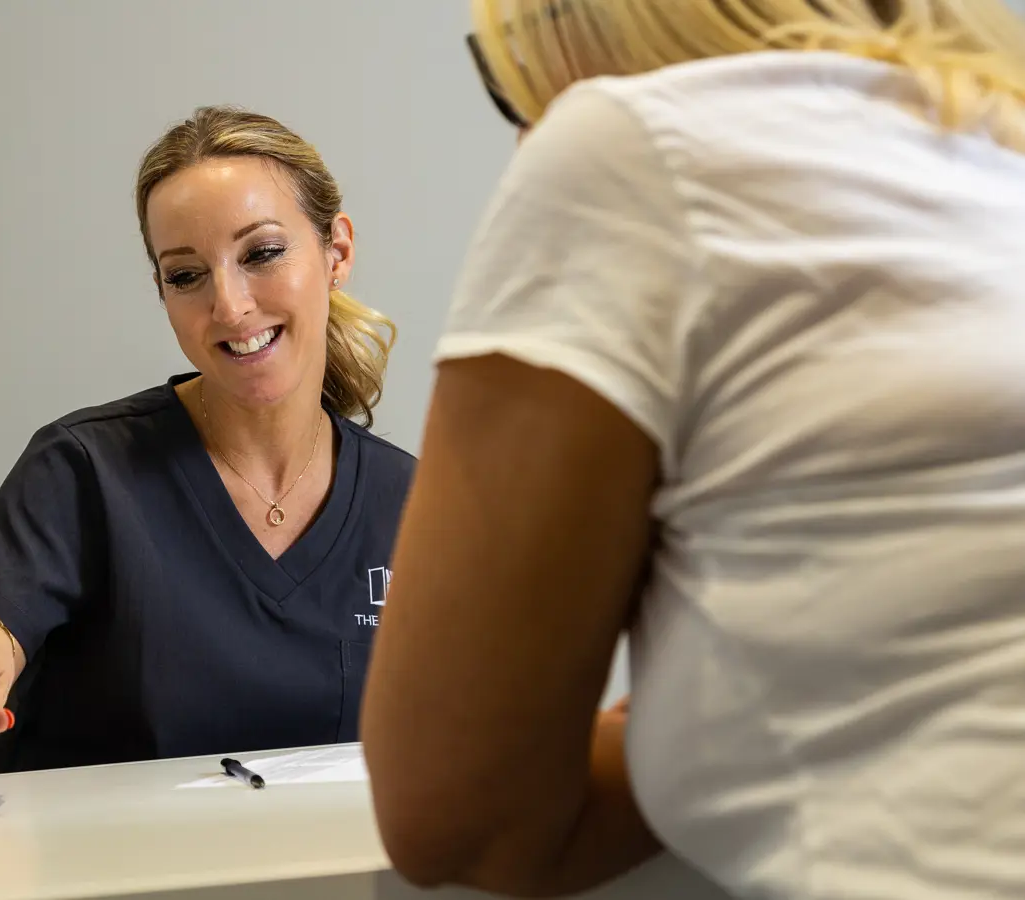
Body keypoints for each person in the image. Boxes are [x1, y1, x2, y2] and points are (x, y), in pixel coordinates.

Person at [361, 1, 1025, 897]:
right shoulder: (997, 141)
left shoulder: (628, 148)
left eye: (507, 76)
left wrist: (715, 721)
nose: (526, 132)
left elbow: (458, 815)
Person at [0, 105, 414, 777]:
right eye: (186, 275)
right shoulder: (84, 470)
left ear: (337, 251)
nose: (230, 306)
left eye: (262, 254)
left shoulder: (414, 506)